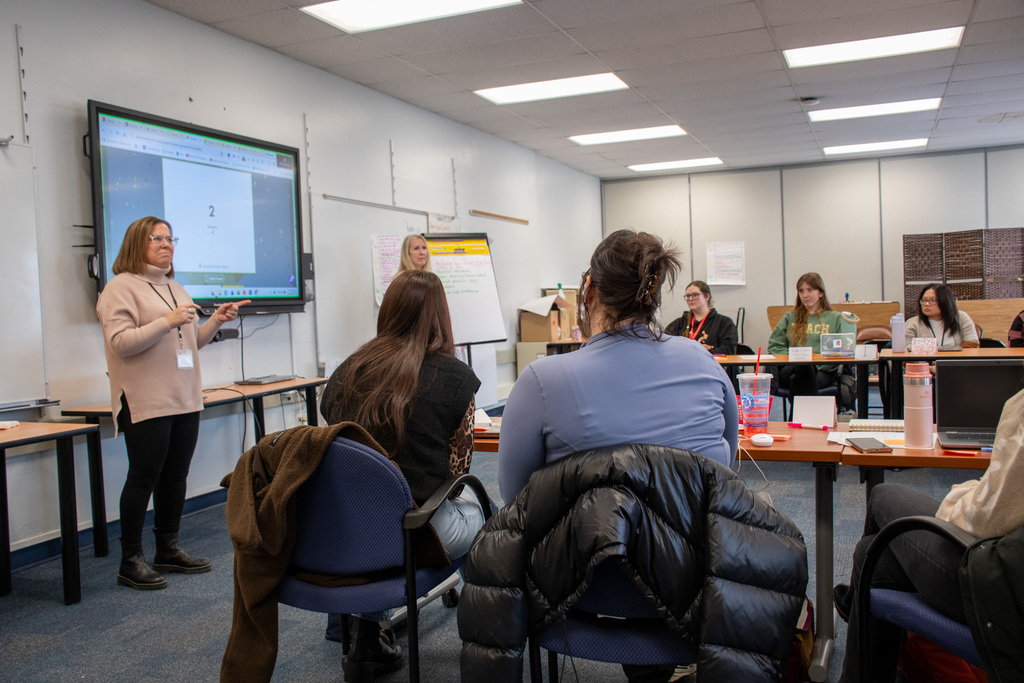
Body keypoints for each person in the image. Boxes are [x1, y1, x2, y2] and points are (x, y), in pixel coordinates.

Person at [498, 230, 738, 682]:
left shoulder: (541, 381)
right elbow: (727, 480)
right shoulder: (705, 364)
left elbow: (516, 502)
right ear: (655, 297)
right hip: (698, 582)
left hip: (584, 586)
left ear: (588, 290)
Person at [319, 269, 484, 681]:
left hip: (348, 531)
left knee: (380, 504)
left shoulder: (346, 373)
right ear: (440, 317)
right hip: (415, 534)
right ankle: (488, 629)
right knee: (485, 510)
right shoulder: (457, 378)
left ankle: (367, 639)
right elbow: (457, 473)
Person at [97, 216, 248, 591]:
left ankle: (168, 547)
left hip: (185, 396)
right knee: (143, 476)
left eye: (170, 238)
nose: (166, 244)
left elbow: (190, 343)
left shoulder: (175, 287)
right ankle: (130, 559)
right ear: (137, 243)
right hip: (146, 399)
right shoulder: (119, 288)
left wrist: (214, 321)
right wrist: (167, 321)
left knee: (176, 475)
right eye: (157, 238)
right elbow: (120, 343)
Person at [834, 385, 1024, 682]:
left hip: (997, 593)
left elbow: (984, 519)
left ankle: (855, 600)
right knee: (875, 555)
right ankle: (857, 598)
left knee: (882, 497)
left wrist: (959, 495)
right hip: (1011, 571)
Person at [767, 272, 855, 401]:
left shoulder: (835, 318)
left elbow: (843, 350)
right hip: (791, 367)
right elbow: (774, 346)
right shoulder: (790, 317)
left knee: (801, 376)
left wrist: (812, 361)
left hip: (822, 372)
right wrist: (797, 357)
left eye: (810, 290)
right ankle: (806, 418)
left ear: (821, 293)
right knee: (803, 368)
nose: (805, 295)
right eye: (801, 291)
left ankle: (796, 417)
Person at [665, 280, 738, 355]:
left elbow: (729, 350)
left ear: (707, 297)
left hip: (712, 365)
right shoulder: (679, 323)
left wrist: (703, 351)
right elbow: (665, 345)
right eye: (688, 296)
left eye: (695, 295)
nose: (690, 299)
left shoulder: (724, 323)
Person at [904, 283, 979, 349]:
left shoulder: (961, 317)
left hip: (955, 363)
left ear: (945, 302)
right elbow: (907, 351)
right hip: (924, 364)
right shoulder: (912, 323)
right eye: (924, 300)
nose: (926, 304)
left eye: (932, 300)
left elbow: (973, 344)